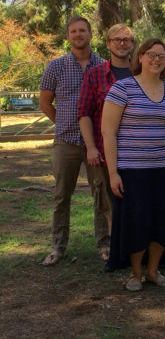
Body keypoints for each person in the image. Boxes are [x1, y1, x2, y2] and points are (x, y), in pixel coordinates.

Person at [101, 38, 165, 291]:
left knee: (162, 222)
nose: (156, 59)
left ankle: (152, 271)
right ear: (140, 57)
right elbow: (108, 132)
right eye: (151, 54)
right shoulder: (122, 88)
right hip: (132, 170)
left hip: (164, 168)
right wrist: (113, 173)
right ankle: (136, 273)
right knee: (137, 223)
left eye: (162, 56)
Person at [39, 16, 107, 266]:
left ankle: (105, 244)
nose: (78, 34)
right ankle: (58, 247)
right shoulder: (55, 67)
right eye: (73, 31)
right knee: (61, 195)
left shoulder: (104, 66)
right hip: (66, 141)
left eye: (82, 30)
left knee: (101, 194)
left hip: (96, 143)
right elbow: (45, 103)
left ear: (91, 34)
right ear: (68, 36)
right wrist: (63, 123)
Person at [78, 23, 135, 265]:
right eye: (117, 39)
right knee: (109, 202)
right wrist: (91, 147)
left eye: (127, 40)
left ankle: (136, 247)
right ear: (108, 44)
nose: (122, 43)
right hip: (103, 150)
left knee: (134, 201)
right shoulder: (95, 75)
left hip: (137, 151)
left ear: (133, 45)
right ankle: (114, 249)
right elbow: (84, 113)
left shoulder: (141, 72)